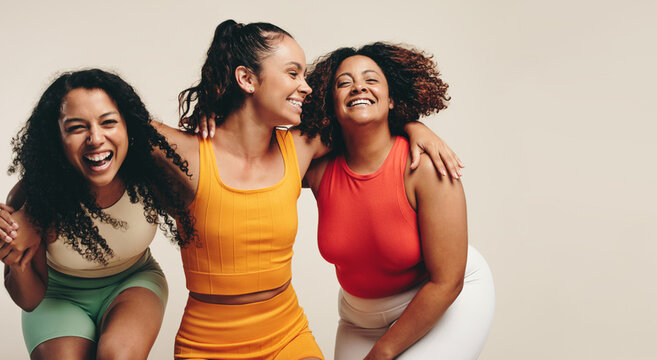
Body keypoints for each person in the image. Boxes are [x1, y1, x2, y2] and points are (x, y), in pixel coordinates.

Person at [165, 20, 461, 359]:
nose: (305, 87)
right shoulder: (196, 153)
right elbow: (122, 130)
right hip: (225, 338)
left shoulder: (311, 148)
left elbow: (364, 118)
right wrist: (213, 109)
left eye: (305, 76)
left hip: (419, 304)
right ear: (247, 79)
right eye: (293, 74)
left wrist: (416, 127)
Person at [298, 42, 495, 359]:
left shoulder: (425, 166)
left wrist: (385, 350)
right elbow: (255, 153)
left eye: (371, 79)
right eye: (344, 82)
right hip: (358, 319)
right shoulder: (318, 169)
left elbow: (447, 281)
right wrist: (213, 116)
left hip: (444, 298)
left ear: (391, 99)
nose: (358, 86)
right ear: (330, 103)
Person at [1, 69, 194, 360]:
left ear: (129, 126)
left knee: (116, 355)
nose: (95, 138)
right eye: (77, 127)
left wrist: (211, 122)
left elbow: (210, 190)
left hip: (133, 282)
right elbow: (29, 300)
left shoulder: (151, 172)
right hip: (57, 296)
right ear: (57, 137)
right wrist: (15, 262)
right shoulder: (32, 196)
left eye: (108, 122)